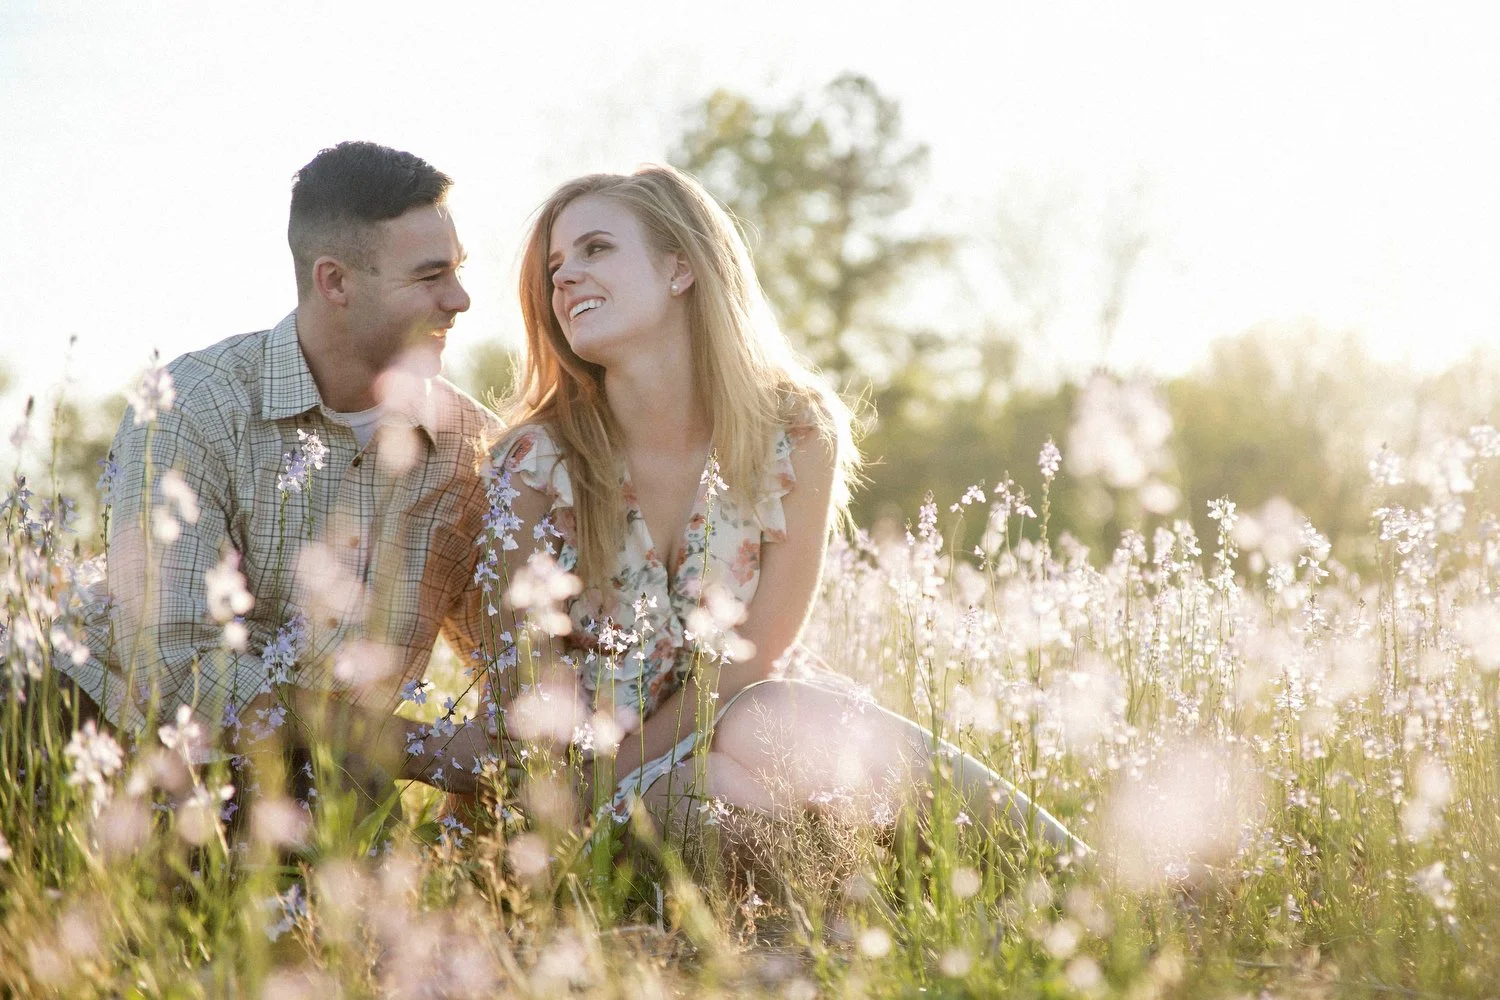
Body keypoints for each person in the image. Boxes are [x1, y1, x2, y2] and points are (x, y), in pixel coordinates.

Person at [480, 165, 1085, 856]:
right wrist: (596, 788)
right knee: (682, 797)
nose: (562, 279)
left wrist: (642, 760)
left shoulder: (795, 432)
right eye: (554, 265)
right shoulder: (531, 460)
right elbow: (517, 679)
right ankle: (885, 883)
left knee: (764, 716)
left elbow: (756, 653)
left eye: (595, 249)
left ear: (681, 268)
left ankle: (1075, 870)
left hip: (736, 741)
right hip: (579, 794)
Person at [62, 141, 500, 804]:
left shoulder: (467, 446)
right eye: (429, 276)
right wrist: (423, 748)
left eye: (459, 270)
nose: (461, 299)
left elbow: (508, 653)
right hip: (113, 750)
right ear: (335, 281)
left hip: (319, 794)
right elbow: (173, 671)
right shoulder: (196, 404)